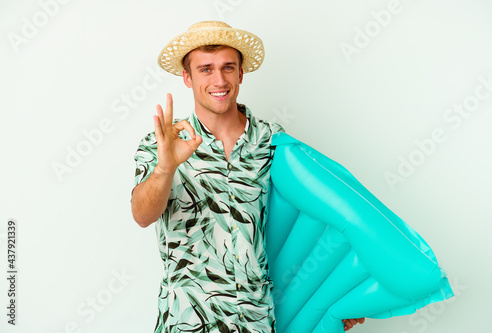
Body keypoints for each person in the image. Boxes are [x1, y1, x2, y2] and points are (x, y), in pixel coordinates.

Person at [131, 21, 364, 333]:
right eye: (205, 69)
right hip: (185, 320)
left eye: (228, 67)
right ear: (187, 77)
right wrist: (165, 167)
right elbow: (142, 214)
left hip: (257, 322)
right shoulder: (161, 143)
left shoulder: (275, 144)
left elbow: (320, 221)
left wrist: (338, 299)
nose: (219, 79)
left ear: (241, 73)